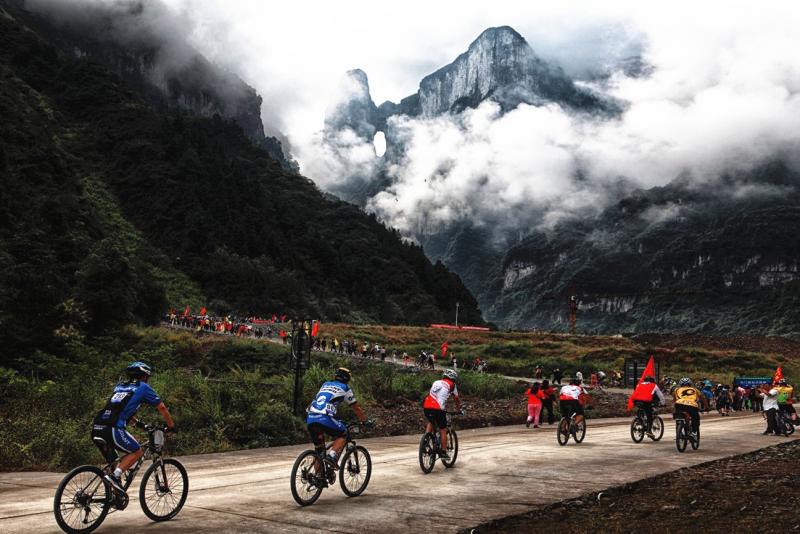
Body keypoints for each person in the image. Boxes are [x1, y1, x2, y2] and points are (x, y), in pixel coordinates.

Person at [91, 362, 175, 494]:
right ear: (144, 376)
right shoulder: (143, 387)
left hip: (97, 427)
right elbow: (162, 407)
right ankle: (115, 476)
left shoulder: (120, 387)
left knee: (114, 462)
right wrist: (171, 426)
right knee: (137, 452)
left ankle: (111, 497)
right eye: (147, 376)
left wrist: (139, 424)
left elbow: (119, 409)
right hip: (113, 429)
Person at [306, 368, 371, 469]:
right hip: (324, 417)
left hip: (311, 417)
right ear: (347, 378)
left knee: (319, 451)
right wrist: (365, 421)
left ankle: (317, 478)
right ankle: (332, 456)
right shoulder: (345, 388)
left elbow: (324, 401)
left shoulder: (325, 384)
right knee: (344, 433)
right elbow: (356, 408)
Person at [422, 369, 462, 459]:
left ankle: (426, 441)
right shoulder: (452, 385)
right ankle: (443, 452)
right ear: (453, 378)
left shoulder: (436, 382)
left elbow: (434, 394)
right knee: (443, 430)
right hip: (438, 409)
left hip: (427, 406)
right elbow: (456, 399)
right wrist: (459, 409)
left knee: (431, 421)